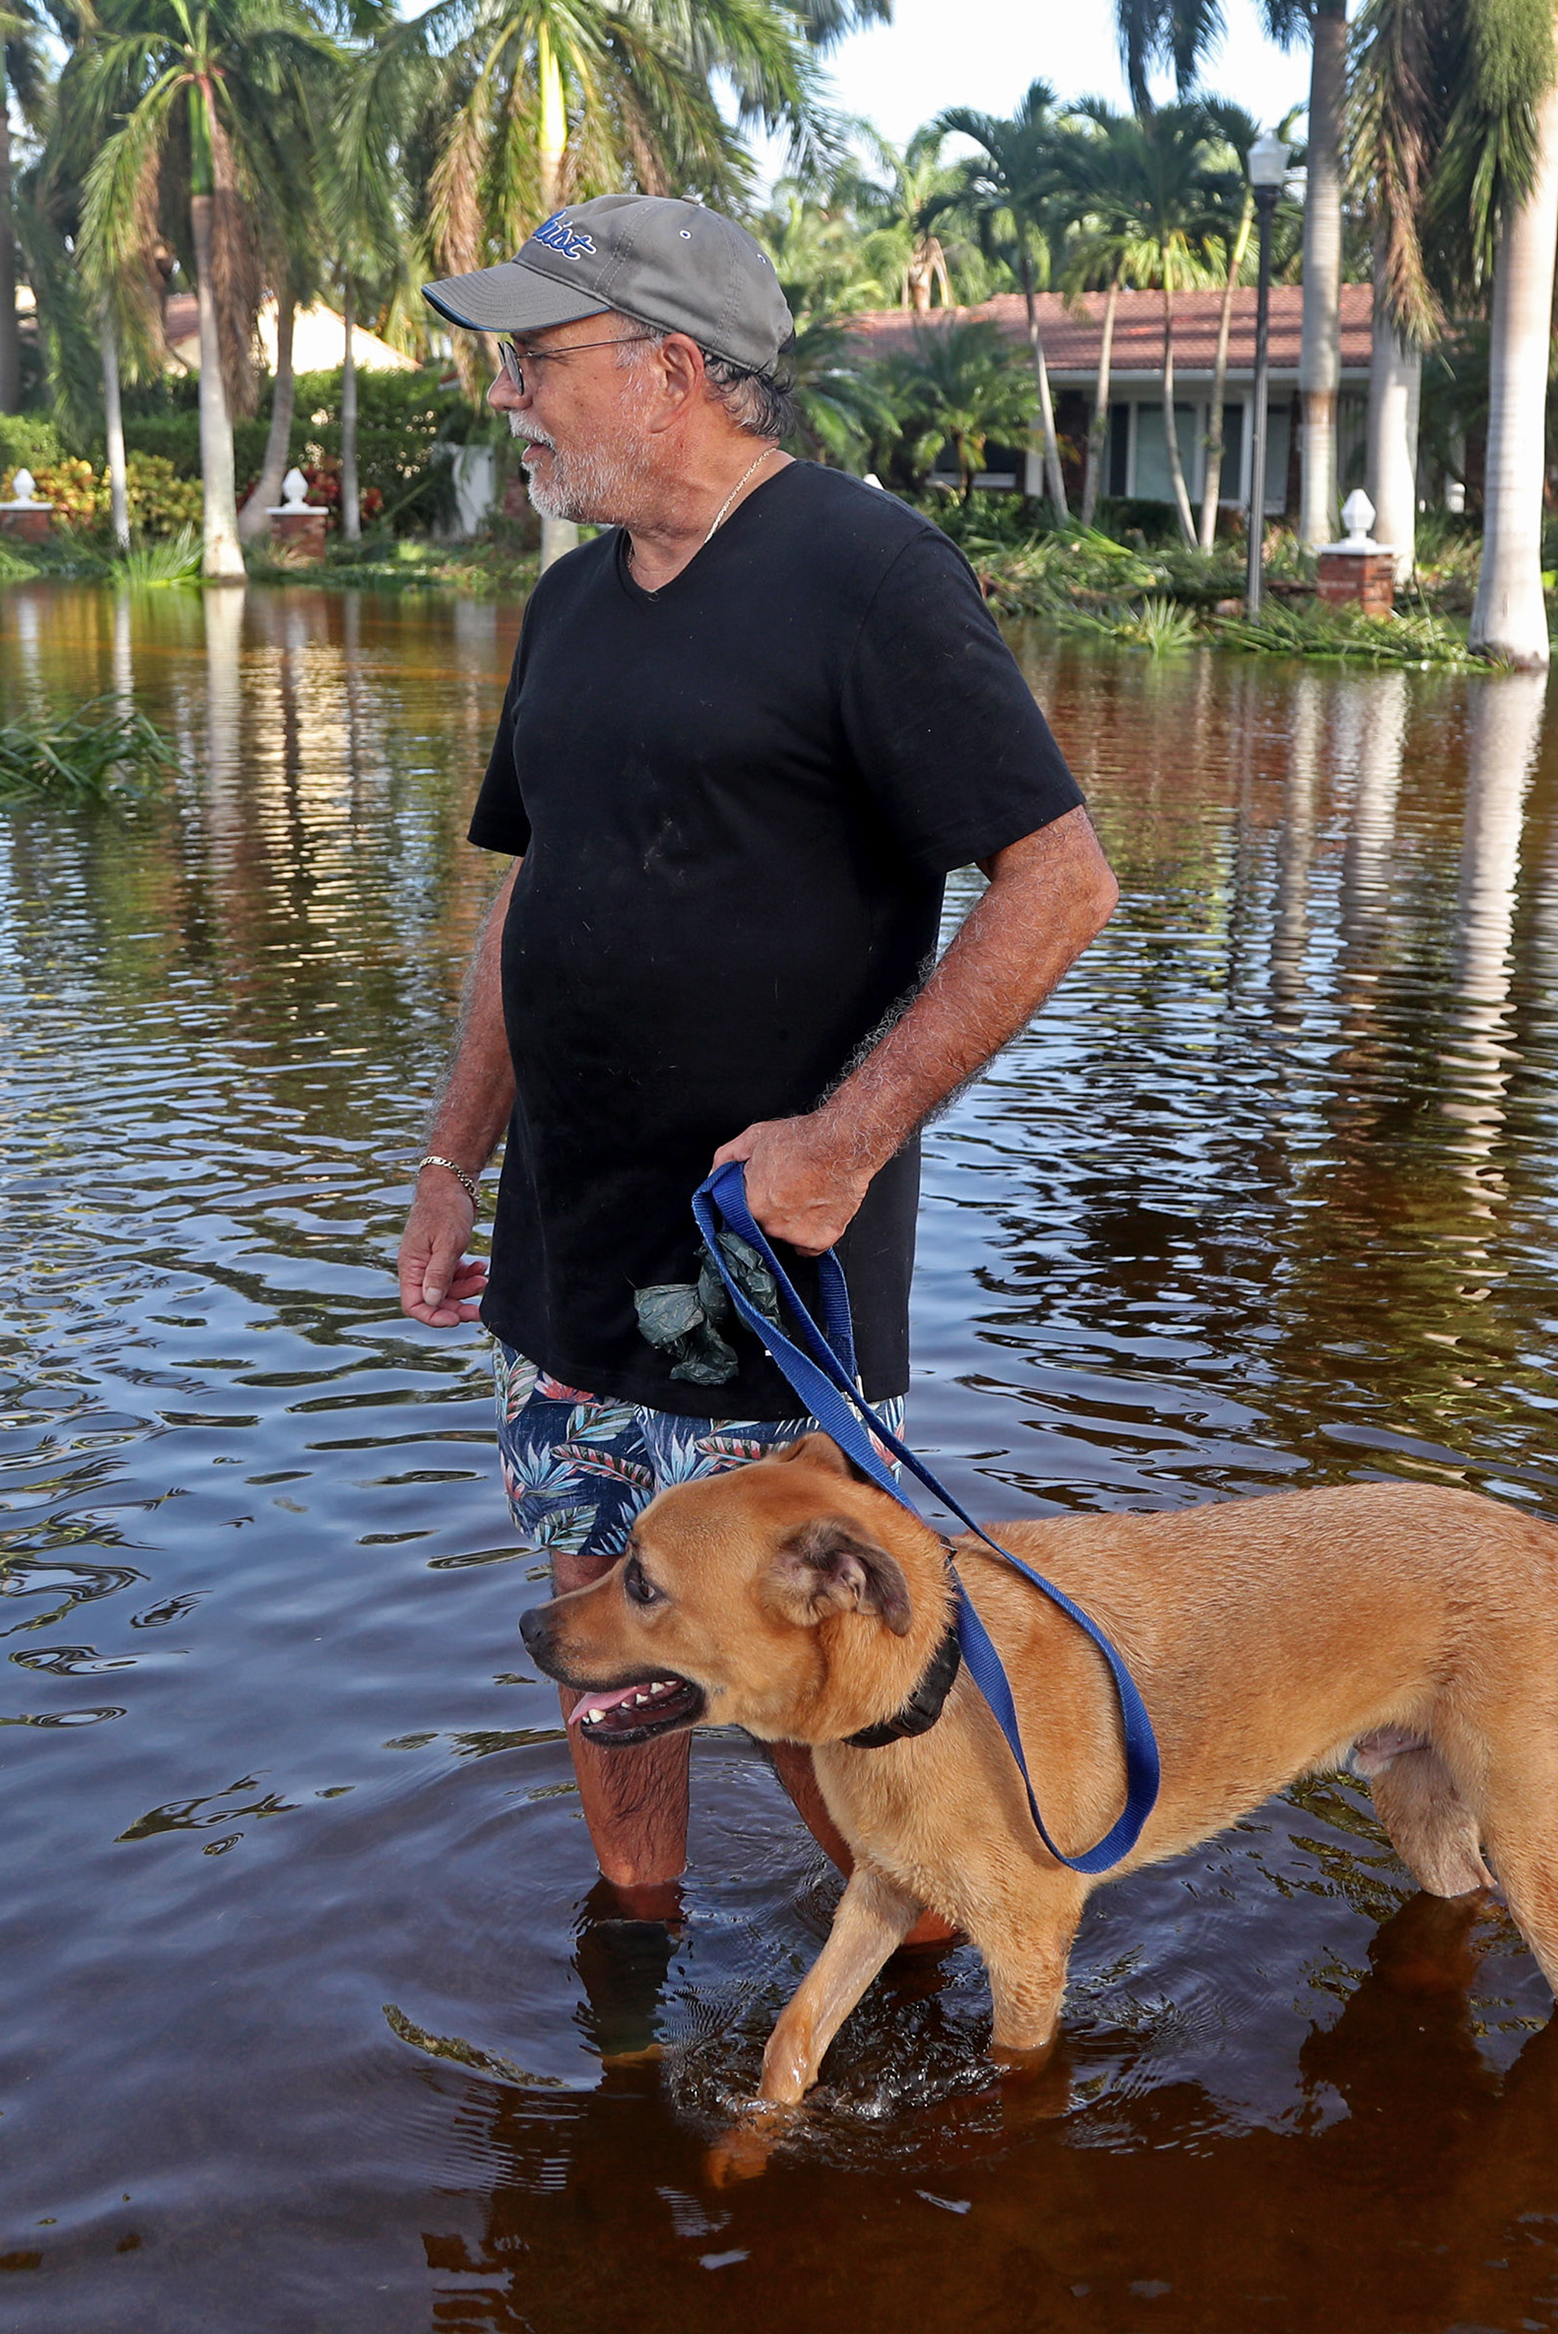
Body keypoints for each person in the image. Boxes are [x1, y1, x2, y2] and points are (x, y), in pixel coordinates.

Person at [393, 193, 1118, 1956]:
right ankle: (631, 1955)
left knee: (820, 1686)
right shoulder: (570, 611)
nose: (513, 398)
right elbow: (528, 903)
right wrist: (448, 1161)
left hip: (758, 1267)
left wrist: (849, 1138)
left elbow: (1062, 878)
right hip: (568, 1255)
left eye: (538, 360)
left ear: (673, 369)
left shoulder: (866, 576)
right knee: (600, 1633)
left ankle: (940, 1959)